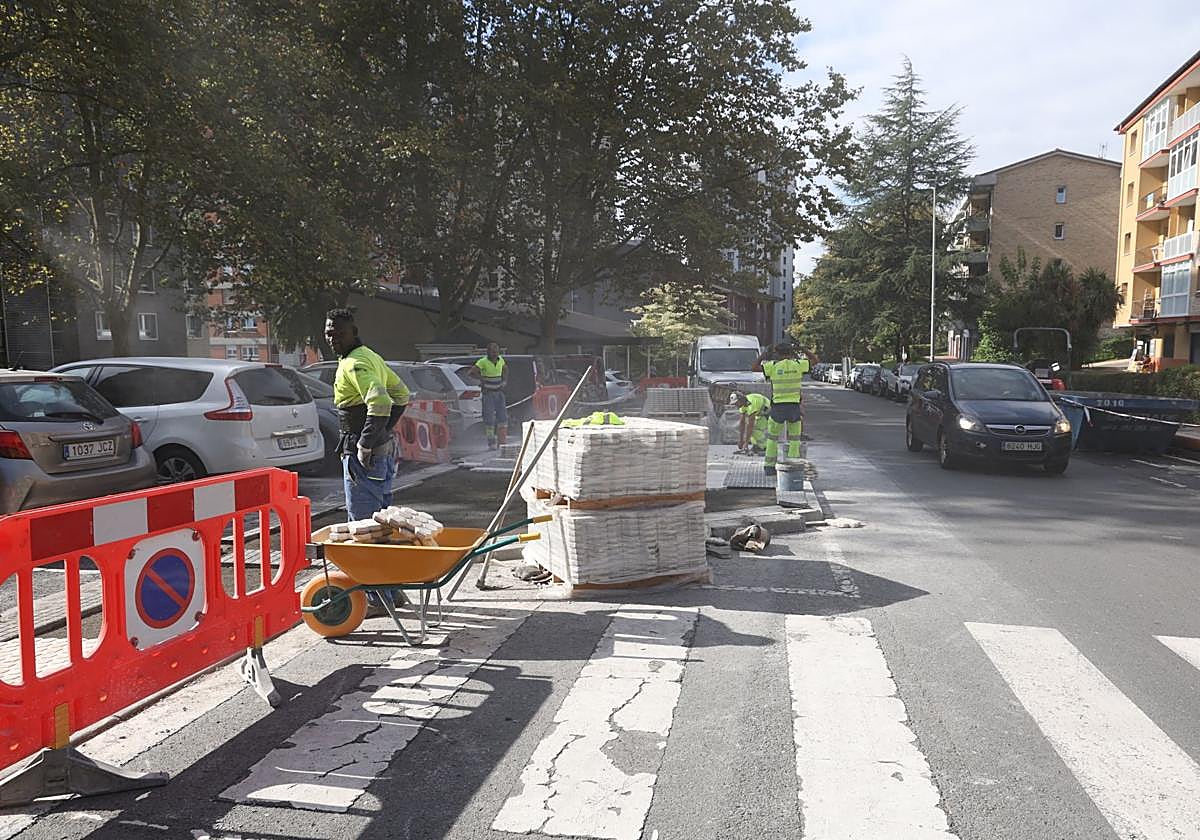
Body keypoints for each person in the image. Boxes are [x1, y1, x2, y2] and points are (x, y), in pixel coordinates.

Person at [325, 308, 410, 519]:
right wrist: (383, 430)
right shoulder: (371, 356)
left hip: (363, 453)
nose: (334, 339)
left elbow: (380, 400)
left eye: (340, 334)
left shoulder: (354, 363)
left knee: (363, 523)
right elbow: (401, 394)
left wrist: (365, 443)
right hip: (381, 449)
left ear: (354, 332)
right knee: (382, 518)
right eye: (329, 334)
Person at [754, 342, 819, 473]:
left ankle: (769, 466)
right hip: (794, 407)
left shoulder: (772, 366)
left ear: (777, 354)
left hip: (778, 407)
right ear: (791, 353)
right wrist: (803, 349)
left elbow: (754, 367)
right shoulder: (798, 365)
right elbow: (815, 360)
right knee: (794, 439)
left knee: (772, 438)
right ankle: (792, 466)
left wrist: (763, 355)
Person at [470, 342, 509, 449]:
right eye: (493, 351)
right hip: (488, 394)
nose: (495, 353)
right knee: (489, 419)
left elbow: (505, 369)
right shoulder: (482, 362)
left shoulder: (501, 360)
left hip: (499, 393)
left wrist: (504, 381)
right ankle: (491, 443)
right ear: (488, 352)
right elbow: (471, 372)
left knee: (503, 418)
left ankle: (502, 442)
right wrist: (482, 379)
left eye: (497, 351)